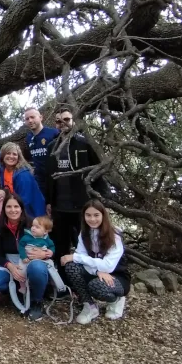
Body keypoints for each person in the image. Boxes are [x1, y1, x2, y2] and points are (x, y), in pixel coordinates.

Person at [45, 108, 108, 265]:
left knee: (87, 245)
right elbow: (48, 177)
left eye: (66, 119)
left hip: (82, 206)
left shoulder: (84, 143)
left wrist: (102, 196)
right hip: (59, 207)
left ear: (73, 121)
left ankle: (89, 279)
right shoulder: (51, 147)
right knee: (61, 246)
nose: (63, 124)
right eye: (59, 121)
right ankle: (63, 284)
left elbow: (98, 170)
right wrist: (48, 201)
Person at [0, 193, 52, 320]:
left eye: (16, 206)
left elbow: (49, 243)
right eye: (9, 207)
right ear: (4, 209)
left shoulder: (32, 224)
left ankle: (36, 301)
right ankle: (14, 291)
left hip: (32, 260)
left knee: (37, 268)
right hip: (10, 263)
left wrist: (45, 253)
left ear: (21, 208)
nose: (13, 210)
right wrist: (9, 266)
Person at [61, 200, 130, 324]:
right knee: (71, 266)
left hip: (117, 276)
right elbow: (81, 255)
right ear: (84, 216)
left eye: (96, 215)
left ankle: (116, 301)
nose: (92, 219)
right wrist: (97, 270)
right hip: (95, 272)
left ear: (103, 215)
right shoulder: (84, 233)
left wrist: (77, 258)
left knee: (97, 286)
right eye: (88, 215)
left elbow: (108, 266)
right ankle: (90, 306)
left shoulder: (114, 235)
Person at [0, 142, 46, 219]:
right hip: (15, 208)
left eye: (14, 154)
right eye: (8, 153)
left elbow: (25, 200)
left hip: (32, 214)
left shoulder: (23, 175)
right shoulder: (2, 170)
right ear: (2, 155)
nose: (11, 156)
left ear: (19, 157)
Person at [18, 216, 66, 294]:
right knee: (21, 271)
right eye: (33, 226)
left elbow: (52, 247)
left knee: (52, 268)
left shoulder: (47, 240)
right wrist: (23, 256)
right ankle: (23, 286)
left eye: (37, 227)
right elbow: (21, 246)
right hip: (27, 258)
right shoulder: (26, 237)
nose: (33, 228)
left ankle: (55, 284)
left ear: (45, 231)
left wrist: (50, 252)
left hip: (44, 260)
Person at [24, 107, 59, 195]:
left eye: (32, 117)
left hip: (55, 178)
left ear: (41, 117)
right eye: (27, 119)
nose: (30, 121)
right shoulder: (29, 138)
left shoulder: (54, 133)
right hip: (39, 180)